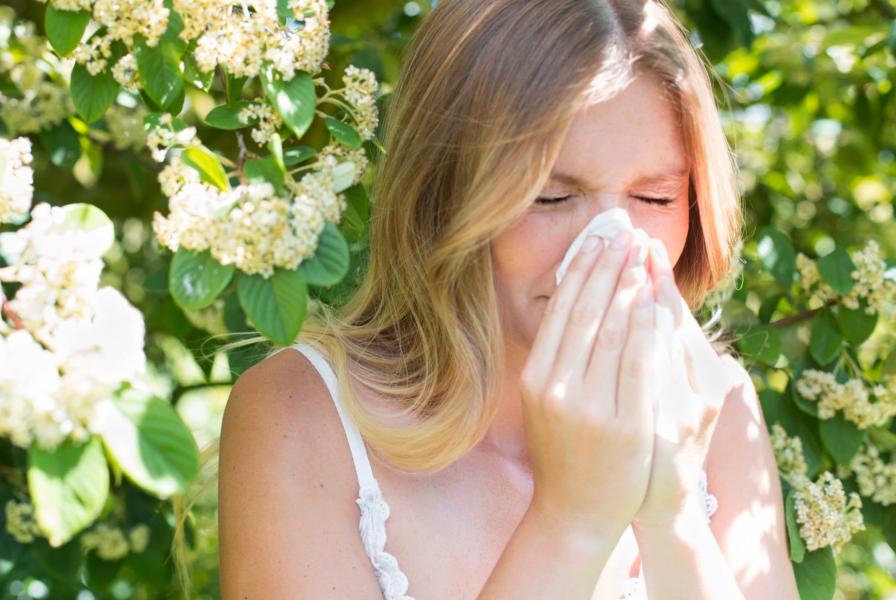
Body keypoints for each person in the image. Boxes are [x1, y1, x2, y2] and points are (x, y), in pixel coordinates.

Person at [218, 0, 800, 597]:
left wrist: (673, 517)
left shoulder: (717, 406)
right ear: (444, 199)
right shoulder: (298, 416)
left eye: (654, 198)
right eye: (548, 198)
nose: (612, 247)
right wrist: (573, 519)